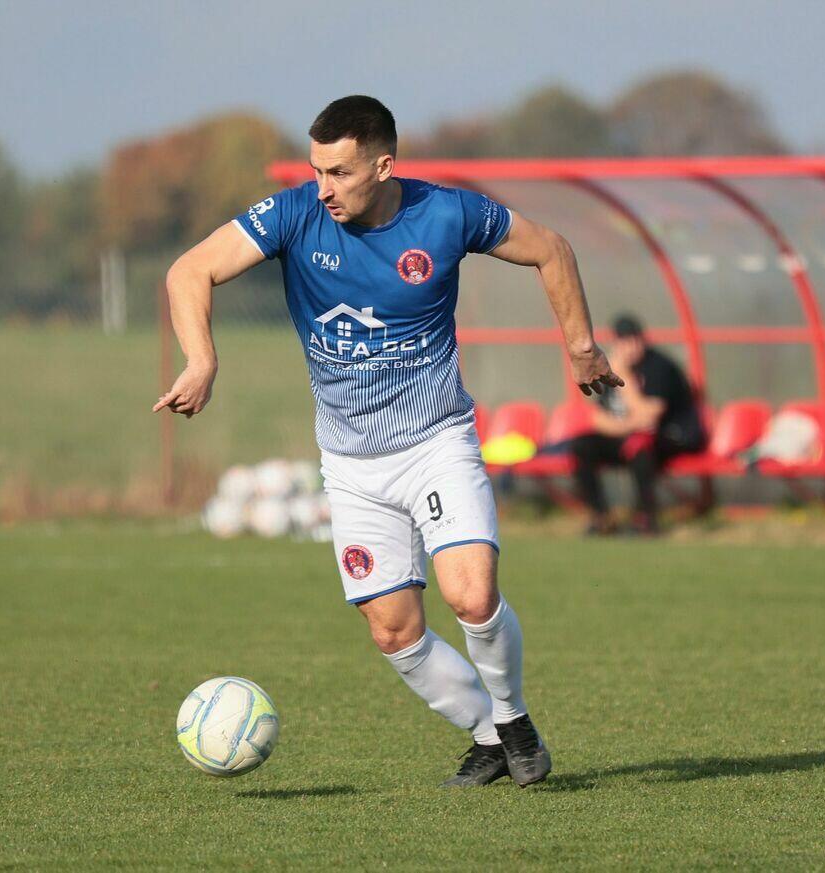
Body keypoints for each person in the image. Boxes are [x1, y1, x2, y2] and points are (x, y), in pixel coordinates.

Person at [153, 96, 622, 787]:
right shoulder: (294, 215)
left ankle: (514, 719)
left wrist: (581, 348)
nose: (324, 188)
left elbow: (551, 249)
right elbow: (188, 270)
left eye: (340, 172)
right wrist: (202, 360)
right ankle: (488, 736)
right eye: (317, 170)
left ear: (383, 166)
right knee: (394, 631)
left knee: (471, 596)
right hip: (350, 465)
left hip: (436, 443)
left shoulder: (447, 214)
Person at [571, 314, 704, 535]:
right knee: (582, 445)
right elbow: (598, 419)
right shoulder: (611, 368)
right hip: (630, 434)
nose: (630, 348)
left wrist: (625, 377)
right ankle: (601, 517)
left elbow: (649, 417)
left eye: (634, 340)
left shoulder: (659, 366)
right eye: (624, 342)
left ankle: (645, 519)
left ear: (643, 339)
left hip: (673, 437)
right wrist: (628, 426)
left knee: (639, 445)